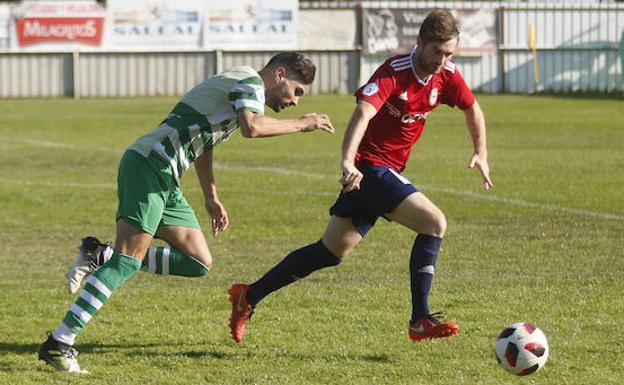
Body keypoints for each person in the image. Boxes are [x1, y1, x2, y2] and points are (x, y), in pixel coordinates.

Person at [38, 52, 335, 373]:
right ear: (280, 75)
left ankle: (101, 254)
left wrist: (211, 196)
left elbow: (204, 143)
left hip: (165, 176)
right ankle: (60, 342)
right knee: (127, 261)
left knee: (198, 261)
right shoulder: (249, 82)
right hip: (150, 165)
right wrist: (303, 125)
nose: (295, 102)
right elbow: (253, 128)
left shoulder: (242, 88)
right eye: (297, 92)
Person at [228, 10, 493, 344]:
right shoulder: (393, 72)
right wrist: (347, 161)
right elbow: (362, 114)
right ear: (420, 43)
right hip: (370, 168)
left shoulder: (447, 75)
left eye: (449, 54)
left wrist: (480, 152)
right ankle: (420, 319)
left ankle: (247, 296)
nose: (442, 60)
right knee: (435, 224)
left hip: (385, 171)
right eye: (437, 52)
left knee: (330, 251)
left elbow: (473, 107)